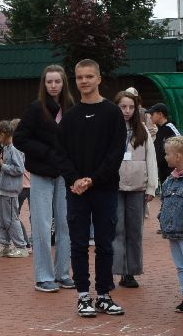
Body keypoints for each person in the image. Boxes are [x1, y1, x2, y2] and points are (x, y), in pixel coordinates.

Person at [61, 59, 127, 318]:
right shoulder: (69, 117)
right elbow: (61, 153)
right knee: (78, 243)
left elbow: (115, 153)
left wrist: (93, 179)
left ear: (99, 79)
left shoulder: (112, 114)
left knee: (104, 243)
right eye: (79, 77)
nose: (84, 81)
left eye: (89, 76)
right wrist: (74, 179)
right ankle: (82, 296)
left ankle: (103, 294)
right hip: (76, 190)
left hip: (104, 188)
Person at [13, 65, 76, 294]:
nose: (53, 86)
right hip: (41, 173)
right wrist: (47, 153)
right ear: (44, 83)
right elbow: (20, 138)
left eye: (57, 81)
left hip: (64, 175)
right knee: (41, 225)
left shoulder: (70, 108)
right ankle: (43, 277)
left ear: (63, 83)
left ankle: (62, 273)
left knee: (65, 224)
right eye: (49, 81)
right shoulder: (35, 109)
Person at [112, 89, 158, 290]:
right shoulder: (110, 129)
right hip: (114, 186)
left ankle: (131, 271)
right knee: (117, 229)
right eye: (123, 106)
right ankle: (118, 269)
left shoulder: (143, 131)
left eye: (131, 107)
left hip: (138, 187)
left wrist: (151, 187)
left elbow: (151, 159)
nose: (127, 111)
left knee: (135, 231)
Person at [156, 136, 183, 312]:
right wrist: (162, 218)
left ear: (179, 156)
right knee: (181, 267)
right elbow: (164, 202)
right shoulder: (169, 180)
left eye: (168, 154)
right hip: (172, 231)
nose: (165, 157)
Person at [0, 119, 30, 258]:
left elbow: (19, 169)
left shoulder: (14, 148)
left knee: (11, 219)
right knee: (3, 220)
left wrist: (3, 166)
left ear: (3, 133)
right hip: (3, 189)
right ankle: (4, 244)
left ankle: (21, 246)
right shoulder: (6, 147)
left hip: (11, 190)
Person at [149, 103, 181, 186]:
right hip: (162, 170)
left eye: (152, 114)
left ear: (160, 114)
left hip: (171, 171)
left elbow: (182, 143)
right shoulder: (158, 129)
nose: (150, 116)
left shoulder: (169, 127)